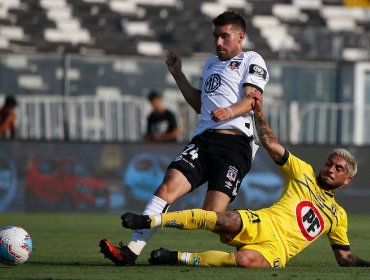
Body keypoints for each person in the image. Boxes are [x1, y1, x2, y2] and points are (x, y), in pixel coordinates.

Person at [120, 92, 370, 268]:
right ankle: (149, 220)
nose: (330, 169)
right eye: (329, 163)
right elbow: (271, 145)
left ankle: (175, 258)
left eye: (338, 169)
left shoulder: (338, 216)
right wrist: (258, 113)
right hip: (263, 222)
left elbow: (344, 258)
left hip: (278, 252)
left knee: (245, 261)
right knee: (221, 218)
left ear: (346, 180)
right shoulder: (303, 172)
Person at [99, 11, 269, 266]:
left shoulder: (251, 59)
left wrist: (230, 111)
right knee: (166, 188)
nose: (219, 42)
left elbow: (252, 100)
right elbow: (200, 104)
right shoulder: (211, 63)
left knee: (212, 217)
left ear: (240, 36)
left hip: (235, 145)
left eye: (225, 36)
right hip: (202, 141)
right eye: (216, 37)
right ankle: (130, 252)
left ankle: (257, 236)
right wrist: (178, 74)